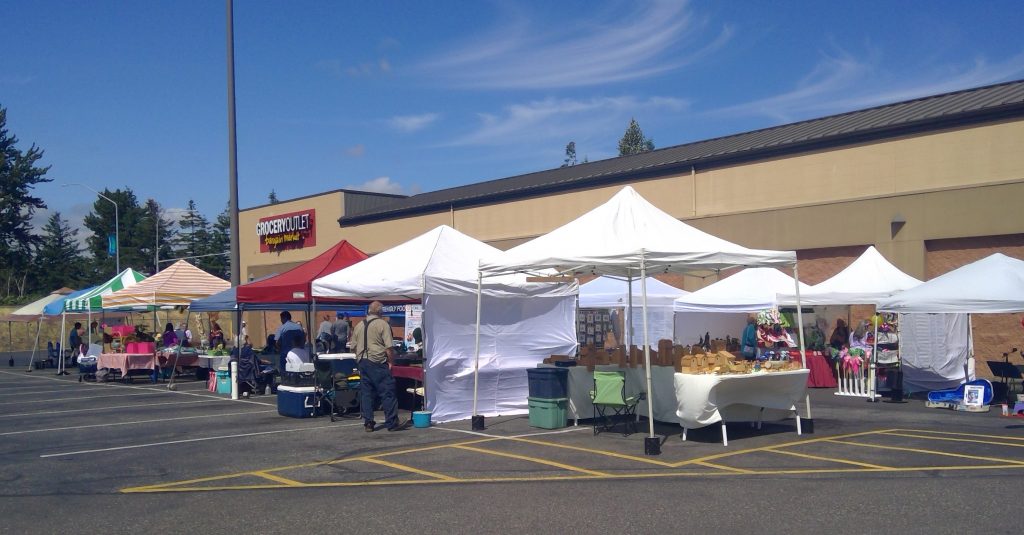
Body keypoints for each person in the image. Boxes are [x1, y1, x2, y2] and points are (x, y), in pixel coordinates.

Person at [351, 301, 402, 432]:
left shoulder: (359, 325)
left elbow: (353, 346)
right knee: (387, 391)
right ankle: (392, 422)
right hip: (377, 362)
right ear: (380, 312)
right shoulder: (383, 324)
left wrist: (360, 357)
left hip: (362, 361)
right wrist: (391, 362)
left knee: (367, 394)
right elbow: (389, 347)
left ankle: (368, 422)